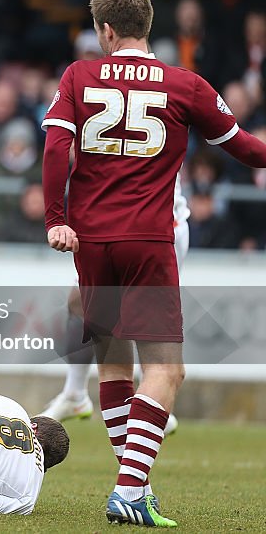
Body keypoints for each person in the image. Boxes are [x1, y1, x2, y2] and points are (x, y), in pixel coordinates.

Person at [42, 0, 266, 527]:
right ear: (148, 26)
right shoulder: (183, 83)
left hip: (91, 241)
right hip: (149, 237)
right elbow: (244, 149)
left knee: (113, 363)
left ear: (106, 30)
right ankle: (129, 489)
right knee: (167, 370)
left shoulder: (78, 74)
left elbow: (54, 146)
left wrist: (55, 219)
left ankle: (132, 485)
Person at [38, 175, 187, 439]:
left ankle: (151, 399)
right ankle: (76, 393)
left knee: (138, 320)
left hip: (153, 228)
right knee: (81, 302)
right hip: (111, 221)